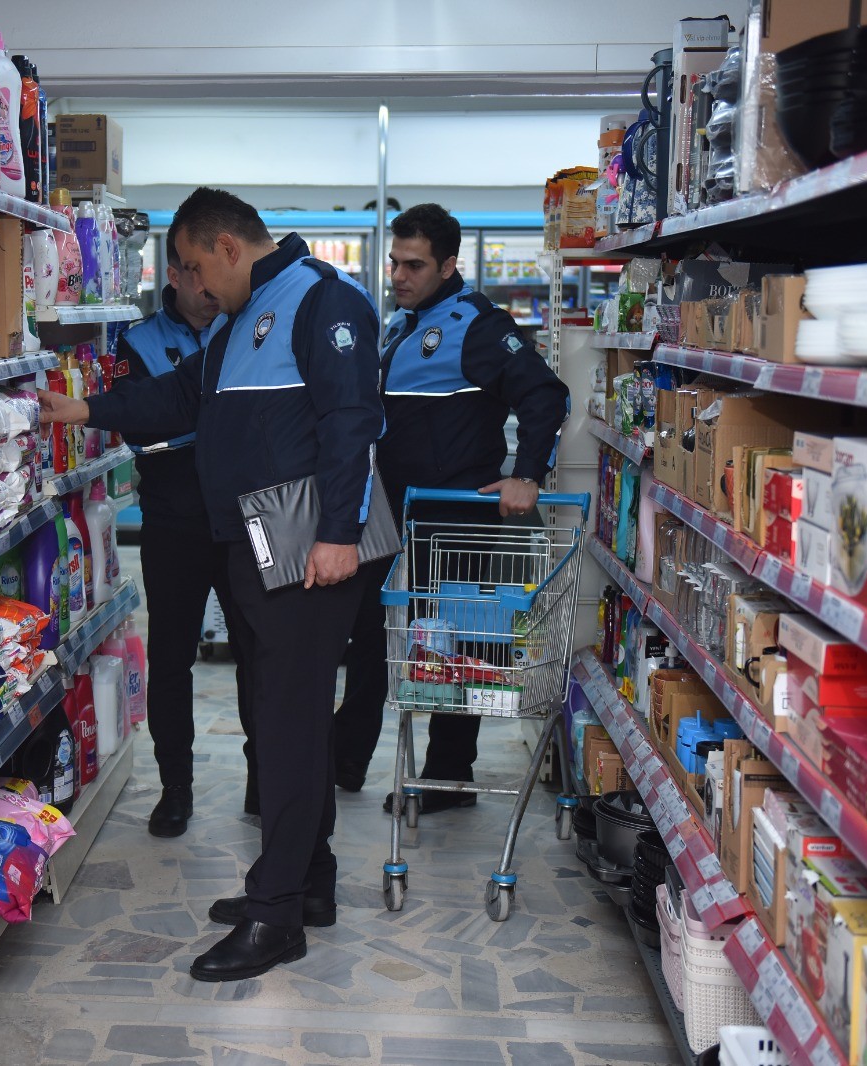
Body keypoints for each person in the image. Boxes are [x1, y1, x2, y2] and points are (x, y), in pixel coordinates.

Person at [40, 187, 383, 983]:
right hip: (259, 539)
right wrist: (82, 405)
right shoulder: (239, 321)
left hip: (307, 542)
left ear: (228, 248)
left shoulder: (321, 301)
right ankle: (310, 884)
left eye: (195, 267)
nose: (192, 286)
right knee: (278, 711)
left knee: (290, 725)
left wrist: (337, 533)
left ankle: (276, 916)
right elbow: (175, 398)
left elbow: (352, 420)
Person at [331, 203, 570, 812]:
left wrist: (527, 475)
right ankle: (344, 761)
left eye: (414, 265)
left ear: (448, 265)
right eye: (394, 262)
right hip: (390, 511)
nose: (399, 275)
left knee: (459, 649)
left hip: (458, 515)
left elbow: (545, 394)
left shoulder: (479, 325)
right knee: (370, 638)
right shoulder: (402, 324)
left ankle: (448, 778)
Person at [115, 232, 253, 838]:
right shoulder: (139, 342)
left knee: (259, 653)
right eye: (193, 275)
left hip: (245, 519)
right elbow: (141, 419)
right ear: (173, 274)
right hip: (173, 521)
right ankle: (176, 787)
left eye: (208, 274)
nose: (206, 289)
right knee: (172, 658)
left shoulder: (249, 327)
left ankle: (265, 778)